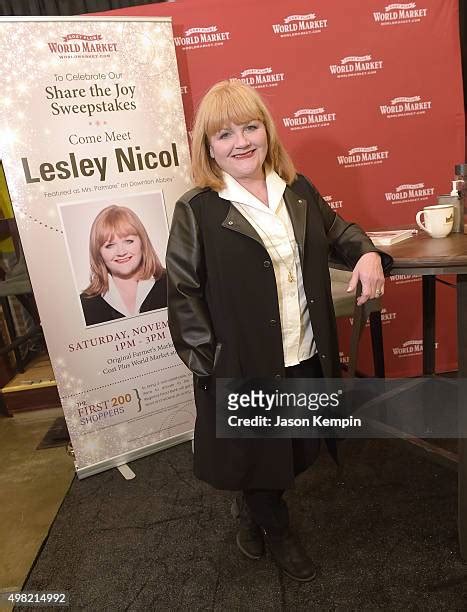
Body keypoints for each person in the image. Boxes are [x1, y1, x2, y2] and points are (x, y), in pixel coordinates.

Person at [166, 80, 392, 582]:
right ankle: (274, 526)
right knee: (261, 457)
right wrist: (211, 365)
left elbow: (339, 233)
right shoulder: (197, 209)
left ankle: (251, 506)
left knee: (300, 447)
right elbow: (182, 293)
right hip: (243, 363)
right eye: (224, 135)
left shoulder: (297, 190)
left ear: (267, 132)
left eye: (250, 127)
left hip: (305, 350)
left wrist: (369, 252)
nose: (241, 142)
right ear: (208, 147)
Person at [80, 205, 166, 326]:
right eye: (109, 245)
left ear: (143, 242)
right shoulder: (85, 305)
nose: (121, 252)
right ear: (98, 253)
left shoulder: (172, 284)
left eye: (128, 241)